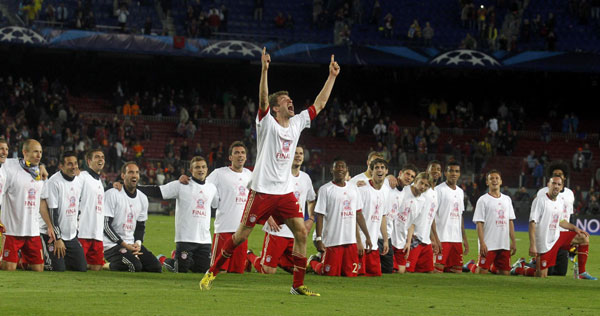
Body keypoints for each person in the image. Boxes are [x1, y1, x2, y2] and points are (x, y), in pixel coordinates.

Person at [200, 49, 340, 296]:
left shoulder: (297, 123)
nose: (290, 102)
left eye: (290, 99)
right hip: (262, 191)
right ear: (276, 109)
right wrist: (264, 71)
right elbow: (263, 100)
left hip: (284, 192)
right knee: (240, 236)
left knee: (301, 234)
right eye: (285, 100)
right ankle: (212, 272)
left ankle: (297, 285)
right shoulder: (266, 124)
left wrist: (332, 76)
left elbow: (320, 104)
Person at [139, 157, 217, 273]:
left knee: (202, 271)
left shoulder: (212, 188)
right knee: (180, 270)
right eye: (197, 167)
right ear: (191, 170)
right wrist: (134, 188)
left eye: (203, 167)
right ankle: (163, 259)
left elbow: (217, 204)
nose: (201, 170)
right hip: (185, 238)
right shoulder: (181, 185)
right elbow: (158, 191)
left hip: (204, 240)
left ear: (207, 169)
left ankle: (183, 259)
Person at [248, 145, 316, 274]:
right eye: (295, 153)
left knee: (298, 269)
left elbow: (311, 200)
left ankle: (279, 260)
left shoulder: (305, 178)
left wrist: (311, 219)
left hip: (295, 231)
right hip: (277, 230)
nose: (298, 156)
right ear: (289, 155)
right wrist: (268, 217)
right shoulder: (279, 176)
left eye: (301, 153)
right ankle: (249, 255)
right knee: (267, 271)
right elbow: (263, 196)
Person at [308, 158, 372, 277]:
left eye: (343, 167)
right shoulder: (325, 189)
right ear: (332, 170)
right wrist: (319, 239)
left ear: (347, 170)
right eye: (337, 166)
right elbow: (320, 216)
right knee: (329, 273)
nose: (340, 169)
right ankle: (313, 262)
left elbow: (359, 214)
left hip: (350, 240)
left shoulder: (354, 189)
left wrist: (367, 237)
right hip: (332, 241)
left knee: (350, 274)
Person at [523, 176, 596, 279]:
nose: (556, 186)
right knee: (542, 275)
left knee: (583, 237)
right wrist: (533, 245)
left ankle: (581, 273)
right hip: (544, 242)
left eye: (559, 184)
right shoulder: (540, 200)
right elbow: (532, 223)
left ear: (562, 187)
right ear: (548, 185)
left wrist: (575, 228)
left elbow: (561, 221)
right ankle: (520, 268)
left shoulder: (560, 201)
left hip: (557, 237)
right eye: (554, 183)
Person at [102, 162, 162, 273]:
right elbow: (105, 226)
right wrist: (125, 245)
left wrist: (137, 244)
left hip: (131, 245)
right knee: (134, 266)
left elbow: (140, 226)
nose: (134, 175)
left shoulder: (142, 198)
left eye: (137, 172)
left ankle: (133, 259)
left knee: (156, 268)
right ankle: (106, 265)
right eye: (130, 172)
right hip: (112, 245)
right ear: (123, 176)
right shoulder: (112, 194)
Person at [203, 141, 252, 274]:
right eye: (236, 153)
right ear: (230, 157)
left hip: (242, 230)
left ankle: (248, 260)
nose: (240, 155)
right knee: (219, 270)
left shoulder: (250, 175)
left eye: (242, 153)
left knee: (237, 272)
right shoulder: (219, 173)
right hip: (224, 228)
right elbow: (202, 184)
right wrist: (186, 180)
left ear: (246, 157)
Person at [0, 139, 46, 271]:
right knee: (8, 268)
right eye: (35, 152)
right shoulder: (9, 166)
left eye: (40, 152)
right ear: (24, 152)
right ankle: (13, 260)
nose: (39, 155)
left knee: (38, 269)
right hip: (12, 230)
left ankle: (19, 261)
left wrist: (42, 166)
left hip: (32, 231)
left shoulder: (38, 173)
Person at [39, 151, 86, 272]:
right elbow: (53, 213)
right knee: (57, 269)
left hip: (71, 236)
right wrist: (58, 239)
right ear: (61, 166)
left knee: (81, 268)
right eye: (70, 164)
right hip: (52, 235)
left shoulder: (79, 181)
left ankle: (61, 259)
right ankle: (31, 259)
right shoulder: (54, 182)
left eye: (75, 163)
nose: (74, 166)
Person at [469, 170, 516, 275]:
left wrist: (513, 241)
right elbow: (479, 223)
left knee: (505, 274)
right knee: (481, 272)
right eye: (491, 179)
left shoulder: (507, 199)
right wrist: (482, 243)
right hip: (488, 244)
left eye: (497, 178)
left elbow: (510, 221)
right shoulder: (483, 200)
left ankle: (492, 267)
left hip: (503, 244)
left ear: (501, 181)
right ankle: (470, 265)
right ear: (487, 182)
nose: (494, 180)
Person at [532, 161, 574, 276]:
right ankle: (528, 266)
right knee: (547, 272)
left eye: (560, 174)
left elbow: (570, 215)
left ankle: (582, 272)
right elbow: (537, 215)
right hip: (547, 235)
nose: (558, 176)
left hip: (562, 233)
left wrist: (573, 231)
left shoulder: (570, 194)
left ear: (564, 177)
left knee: (561, 273)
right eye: (555, 174)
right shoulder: (542, 193)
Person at [390, 172, 432, 274]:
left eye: (426, 185)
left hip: (402, 239)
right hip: (390, 236)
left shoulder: (422, 200)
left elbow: (412, 223)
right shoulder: (404, 190)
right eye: (421, 183)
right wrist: (389, 177)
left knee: (401, 271)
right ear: (416, 181)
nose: (423, 187)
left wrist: (408, 243)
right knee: (390, 269)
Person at [356, 158, 390, 276]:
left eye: (382, 168)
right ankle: (316, 261)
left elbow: (383, 217)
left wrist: (385, 240)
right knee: (357, 274)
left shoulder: (386, 191)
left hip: (373, 244)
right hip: (359, 243)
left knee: (375, 274)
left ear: (386, 171)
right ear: (372, 171)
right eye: (376, 168)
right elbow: (355, 217)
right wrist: (359, 241)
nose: (379, 170)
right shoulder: (363, 189)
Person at [434, 161, 469, 273]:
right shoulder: (438, 190)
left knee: (457, 271)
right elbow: (432, 215)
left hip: (456, 239)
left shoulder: (460, 192)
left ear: (459, 174)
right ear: (445, 173)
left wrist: (464, 239)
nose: (454, 173)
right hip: (442, 238)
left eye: (456, 171)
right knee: (438, 270)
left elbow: (460, 216)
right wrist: (434, 238)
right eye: (451, 171)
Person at [407, 161, 442, 273]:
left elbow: (430, 218)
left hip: (425, 240)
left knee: (429, 271)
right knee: (407, 270)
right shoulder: (415, 188)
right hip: (414, 238)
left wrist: (434, 238)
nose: (435, 171)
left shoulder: (434, 193)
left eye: (438, 169)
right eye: (433, 168)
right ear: (427, 171)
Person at [77, 148, 107, 271]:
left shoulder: (100, 181)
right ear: (89, 161)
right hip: (82, 232)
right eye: (97, 157)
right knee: (79, 267)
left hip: (97, 233)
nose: (101, 159)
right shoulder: (82, 177)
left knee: (97, 267)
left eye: (103, 157)